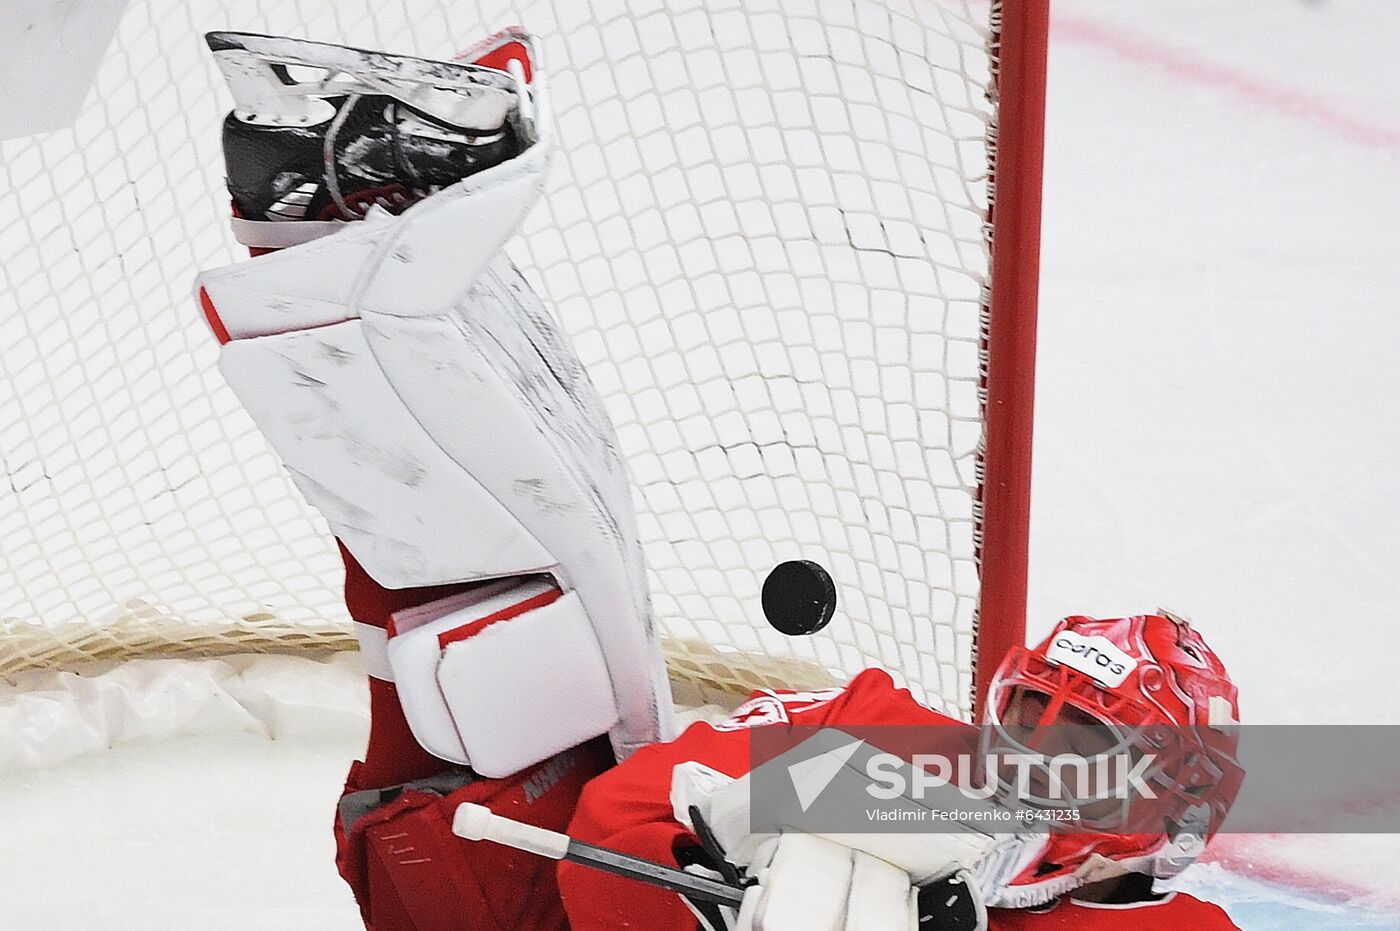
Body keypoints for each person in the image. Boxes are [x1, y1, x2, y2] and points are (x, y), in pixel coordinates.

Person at [557, 613, 1244, 930]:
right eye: (1027, 716)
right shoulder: (871, 723)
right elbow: (606, 822)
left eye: (1082, 750)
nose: (1026, 762)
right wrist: (700, 889)